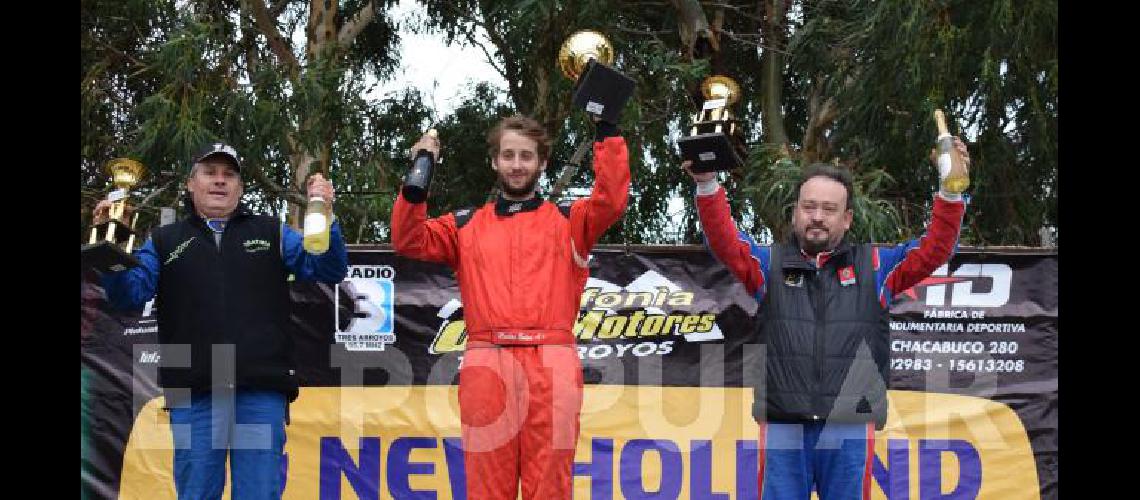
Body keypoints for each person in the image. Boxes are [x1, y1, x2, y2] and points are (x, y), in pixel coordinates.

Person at [683, 139, 970, 499]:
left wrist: (951, 191)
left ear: (847, 218)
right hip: (783, 423)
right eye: (809, 206)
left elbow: (936, 248)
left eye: (829, 209)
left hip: (849, 424)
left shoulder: (878, 266)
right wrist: (707, 185)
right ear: (795, 213)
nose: (817, 216)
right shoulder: (768, 265)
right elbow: (725, 242)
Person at [391, 115, 630, 499]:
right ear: (494, 162)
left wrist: (607, 130)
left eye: (526, 156)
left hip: (552, 364)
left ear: (542, 162)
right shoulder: (465, 226)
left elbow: (612, 199)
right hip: (487, 363)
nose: (516, 165)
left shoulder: (571, 221)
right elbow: (408, 238)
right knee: (487, 488)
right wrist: (419, 176)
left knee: (550, 487)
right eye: (508, 155)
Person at [96, 141, 348, 499]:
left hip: (258, 391)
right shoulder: (164, 240)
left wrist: (326, 213)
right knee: (196, 493)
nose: (219, 181)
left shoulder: (271, 232)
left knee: (258, 494)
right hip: (192, 394)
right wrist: (113, 243)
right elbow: (127, 295)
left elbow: (328, 267)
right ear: (190, 183)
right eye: (209, 172)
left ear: (241, 188)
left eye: (229, 175)